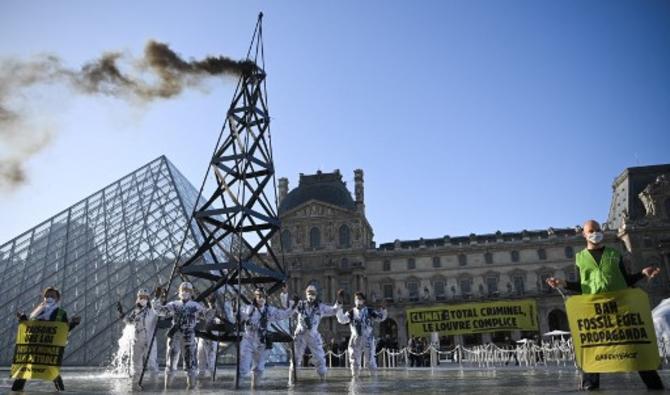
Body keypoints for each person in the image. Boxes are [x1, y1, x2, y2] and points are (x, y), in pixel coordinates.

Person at [546, 219, 663, 391]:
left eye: (598, 229)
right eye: (591, 230)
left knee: (634, 346)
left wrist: (642, 274)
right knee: (594, 348)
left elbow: (626, 280)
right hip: (596, 312)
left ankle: (655, 386)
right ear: (584, 234)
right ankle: (590, 387)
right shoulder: (580, 258)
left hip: (620, 309)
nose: (596, 232)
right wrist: (563, 283)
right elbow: (583, 286)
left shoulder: (614, 253)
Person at [12, 287, 81, 392]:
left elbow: (64, 330)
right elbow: (29, 327)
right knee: (24, 370)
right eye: (47, 296)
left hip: (49, 349)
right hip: (34, 346)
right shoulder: (36, 312)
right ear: (43, 297)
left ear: (57, 299)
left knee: (53, 372)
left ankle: (61, 391)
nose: (49, 298)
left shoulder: (61, 313)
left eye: (52, 296)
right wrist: (23, 318)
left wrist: (74, 323)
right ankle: (16, 391)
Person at [238, 287, 297, 388]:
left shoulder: (269, 310)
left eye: (263, 296)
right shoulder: (249, 309)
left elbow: (284, 314)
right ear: (255, 297)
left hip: (262, 342)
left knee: (259, 369)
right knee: (243, 368)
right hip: (248, 340)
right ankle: (237, 388)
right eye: (259, 296)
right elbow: (239, 315)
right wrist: (236, 310)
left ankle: (255, 389)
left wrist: (293, 307)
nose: (261, 298)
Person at [153, 281, 208, 389]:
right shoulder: (174, 304)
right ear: (179, 291)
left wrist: (211, 306)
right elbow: (160, 311)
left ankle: (191, 387)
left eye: (187, 290)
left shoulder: (195, 306)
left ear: (191, 292)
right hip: (175, 335)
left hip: (189, 335)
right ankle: (167, 388)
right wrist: (157, 298)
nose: (185, 292)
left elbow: (206, 315)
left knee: (190, 363)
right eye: (183, 290)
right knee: (170, 362)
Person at [289, 285, 342, 380]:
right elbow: (287, 307)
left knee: (320, 358)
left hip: (313, 335)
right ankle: (292, 380)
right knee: (295, 359)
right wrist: (288, 296)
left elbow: (333, 310)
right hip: (300, 335)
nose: (311, 295)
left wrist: (338, 301)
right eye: (309, 293)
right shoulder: (300, 305)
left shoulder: (320, 307)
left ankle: (322, 380)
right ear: (306, 294)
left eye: (313, 293)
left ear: (316, 295)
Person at [336, 291, 387, 378]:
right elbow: (341, 319)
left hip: (368, 338)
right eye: (356, 299)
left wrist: (383, 308)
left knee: (370, 361)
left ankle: (373, 381)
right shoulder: (351, 312)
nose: (358, 301)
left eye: (359, 299)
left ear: (363, 300)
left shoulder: (369, 311)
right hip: (355, 339)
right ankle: (355, 380)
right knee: (354, 361)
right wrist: (339, 304)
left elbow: (381, 317)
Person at [116, 288, 158, 384]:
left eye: (144, 297)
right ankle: (135, 384)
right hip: (137, 339)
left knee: (152, 363)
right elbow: (129, 322)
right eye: (140, 297)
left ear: (148, 299)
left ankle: (155, 385)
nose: (142, 299)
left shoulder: (152, 311)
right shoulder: (135, 312)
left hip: (149, 339)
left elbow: (159, 311)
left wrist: (158, 297)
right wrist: (121, 314)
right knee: (136, 364)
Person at [196, 295, 220, 378]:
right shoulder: (205, 311)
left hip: (212, 337)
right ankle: (201, 376)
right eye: (210, 302)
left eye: (213, 302)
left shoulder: (218, 312)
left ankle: (213, 377)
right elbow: (199, 319)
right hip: (203, 337)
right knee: (200, 357)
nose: (211, 304)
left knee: (211, 359)